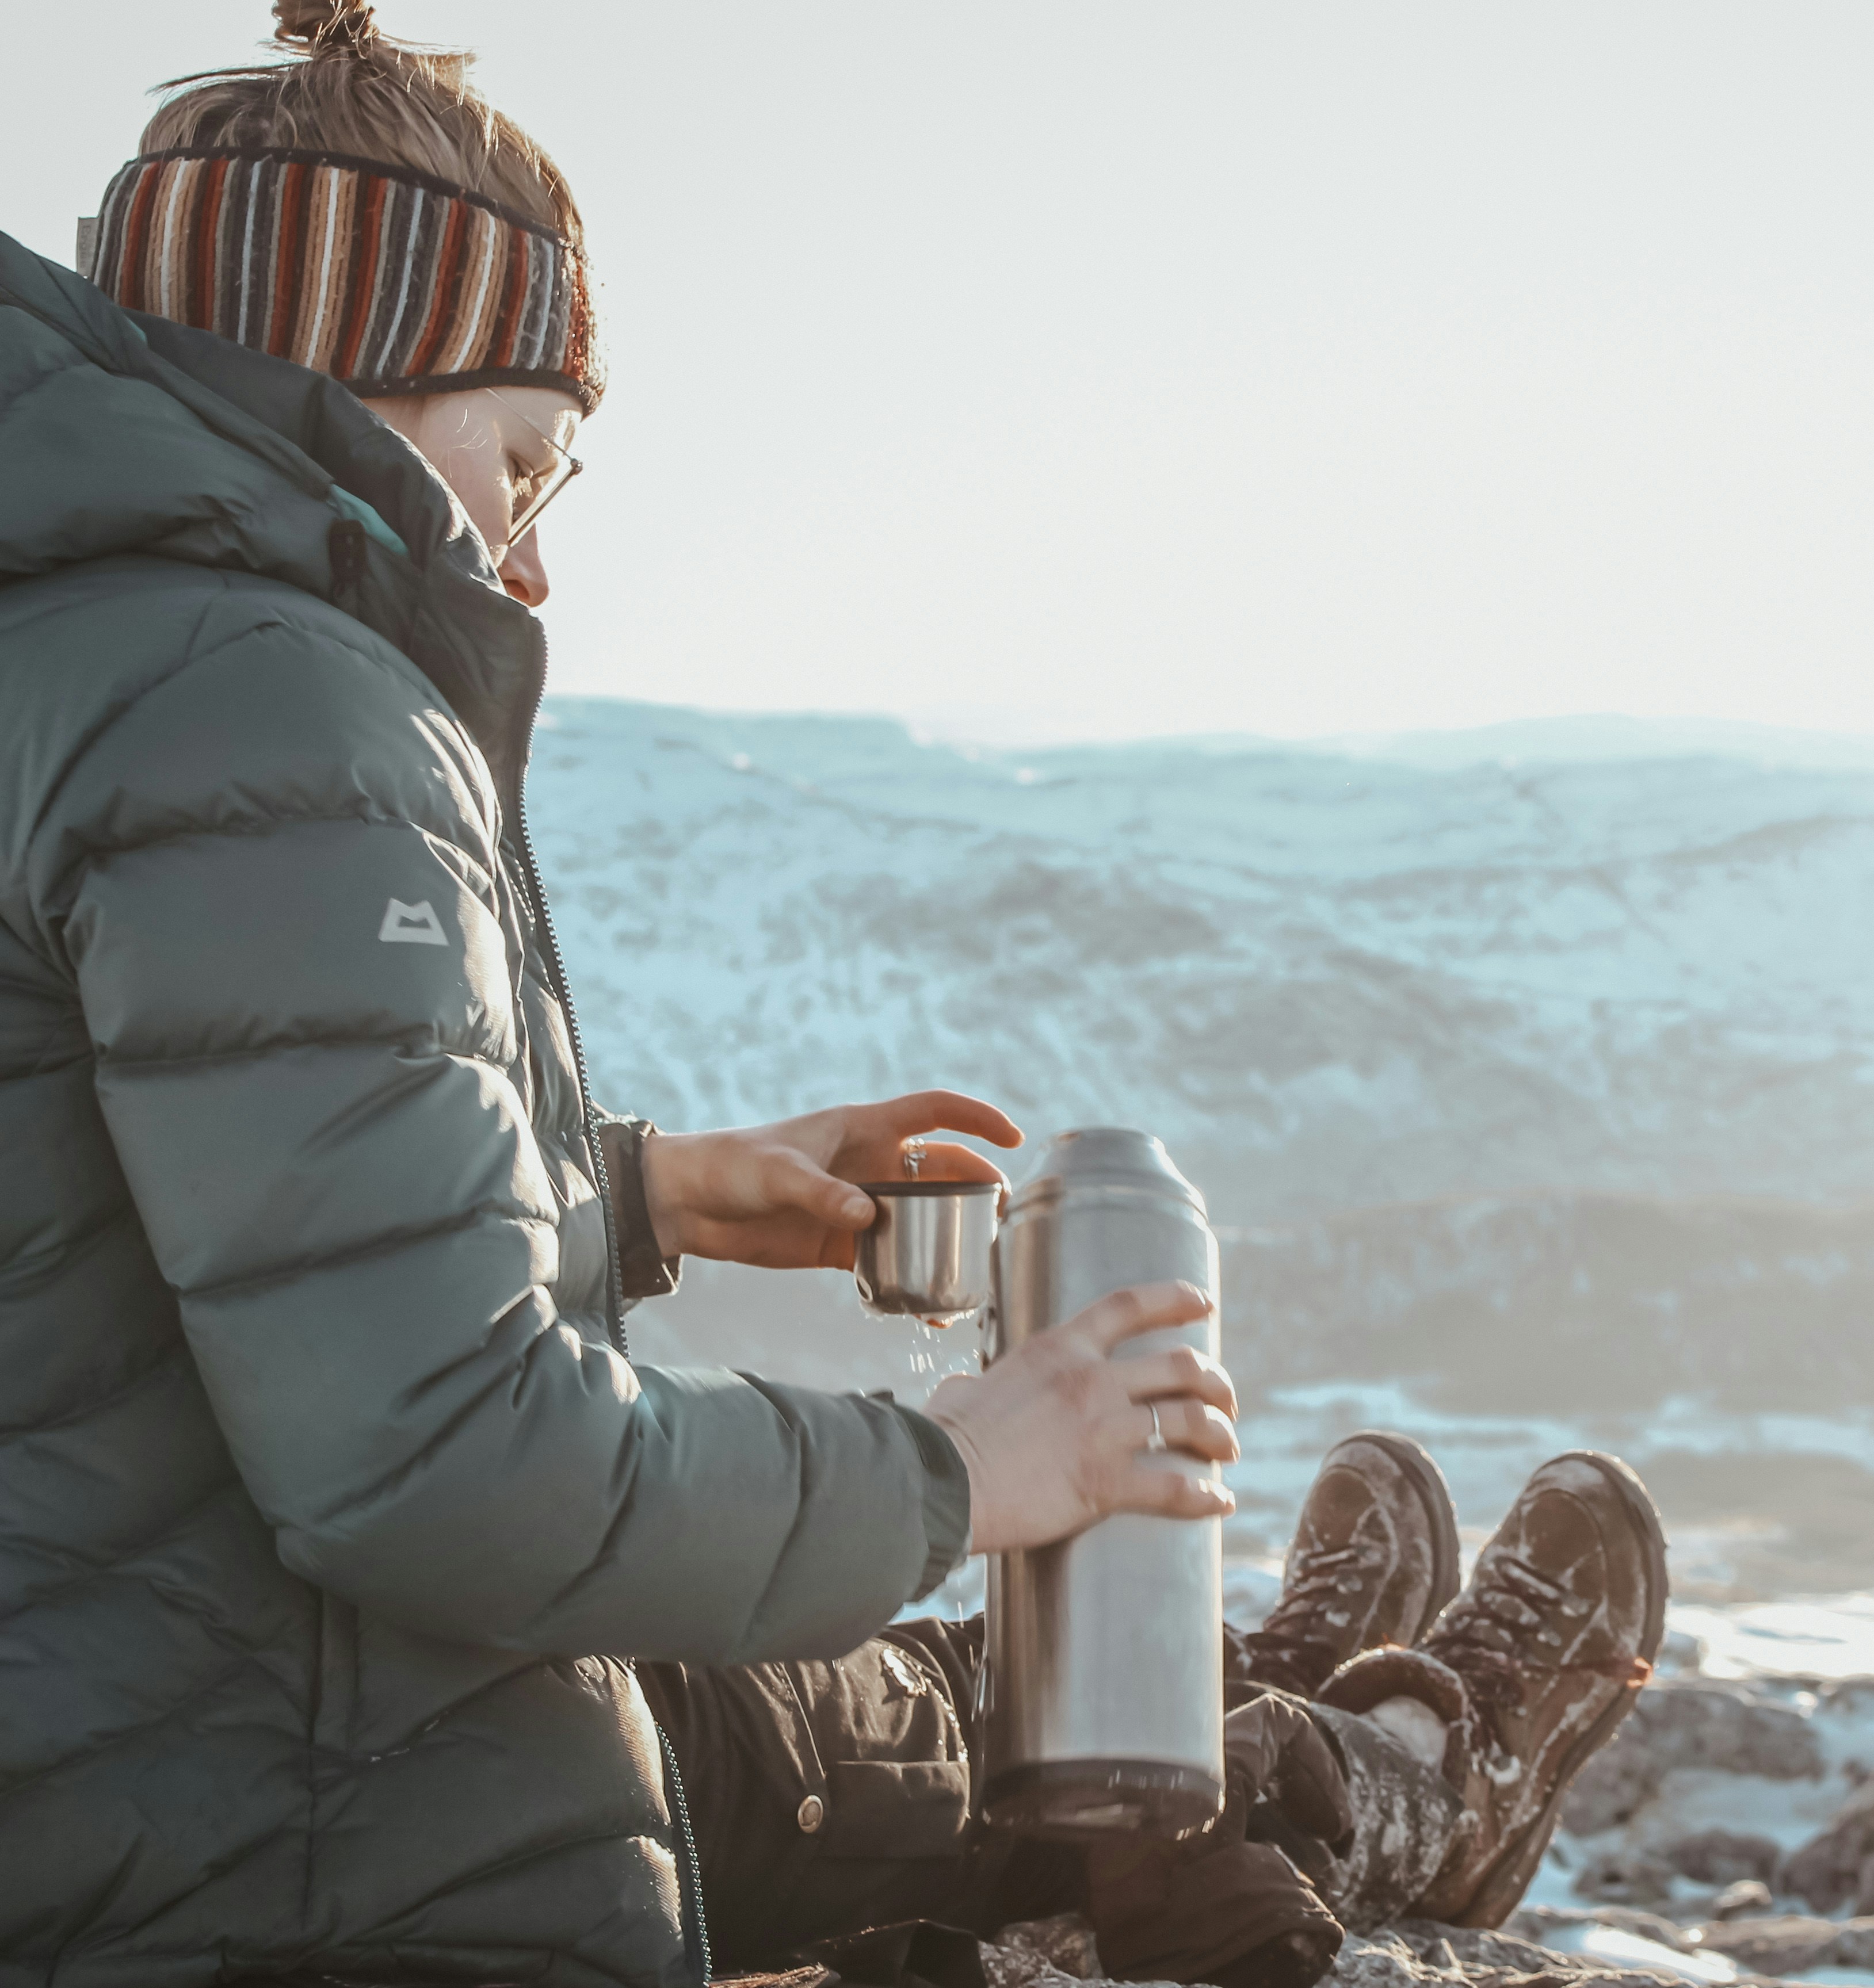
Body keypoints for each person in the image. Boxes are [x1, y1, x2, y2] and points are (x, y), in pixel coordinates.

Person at [0, 5, 1668, 1983]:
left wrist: (643, 1193)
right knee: (890, 1761)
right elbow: (446, 1465)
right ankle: (1389, 1774)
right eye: (529, 460)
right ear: (360, 373)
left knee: (867, 1706)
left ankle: (1253, 1716)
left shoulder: (85, 649)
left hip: (156, 1733)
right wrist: (976, 1464)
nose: (528, 566)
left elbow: (129, 1233)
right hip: (288, 1846)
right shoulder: (274, 700)